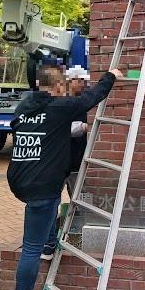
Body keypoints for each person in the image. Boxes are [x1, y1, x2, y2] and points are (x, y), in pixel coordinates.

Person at [7, 65, 122, 290]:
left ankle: (49, 243)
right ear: (58, 87)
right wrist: (111, 75)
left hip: (22, 180)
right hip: (41, 186)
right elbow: (90, 99)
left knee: (46, 215)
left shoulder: (24, 108)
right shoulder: (58, 108)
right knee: (30, 249)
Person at [41, 65, 91, 262]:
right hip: (59, 162)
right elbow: (61, 127)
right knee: (51, 202)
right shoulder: (60, 103)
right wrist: (82, 127)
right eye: (78, 80)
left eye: (83, 81)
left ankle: (78, 237)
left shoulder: (83, 102)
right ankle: (48, 244)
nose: (81, 84)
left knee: (80, 201)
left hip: (77, 161)